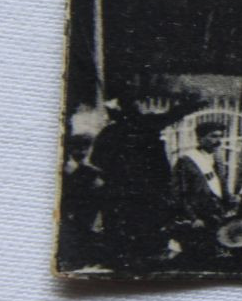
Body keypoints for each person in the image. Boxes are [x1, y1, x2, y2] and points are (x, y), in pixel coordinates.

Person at [92, 90, 204, 272]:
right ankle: (143, 259)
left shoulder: (109, 132)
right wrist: (192, 104)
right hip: (146, 189)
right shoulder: (146, 125)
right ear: (135, 108)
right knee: (144, 225)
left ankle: (121, 260)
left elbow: (98, 162)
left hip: (120, 190)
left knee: (121, 226)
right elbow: (171, 116)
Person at [170, 119, 236, 268]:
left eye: (220, 136)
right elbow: (179, 193)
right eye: (213, 136)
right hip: (199, 218)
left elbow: (221, 186)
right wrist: (192, 217)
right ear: (200, 139)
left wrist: (229, 201)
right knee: (198, 260)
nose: (217, 141)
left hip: (216, 215)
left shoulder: (217, 159)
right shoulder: (187, 161)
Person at [58, 133, 105, 270]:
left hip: (89, 207)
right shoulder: (67, 169)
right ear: (71, 149)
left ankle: (83, 259)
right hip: (73, 207)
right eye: (79, 148)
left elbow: (99, 187)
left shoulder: (91, 170)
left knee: (86, 231)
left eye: (86, 148)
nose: (83, 152)